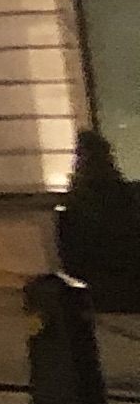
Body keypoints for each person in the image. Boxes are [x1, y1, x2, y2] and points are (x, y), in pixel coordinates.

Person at [57, 128, 140, 310]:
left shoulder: (76, 200)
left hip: (98, 290)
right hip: (131, 283)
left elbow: (70, 254)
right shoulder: (124, 194)